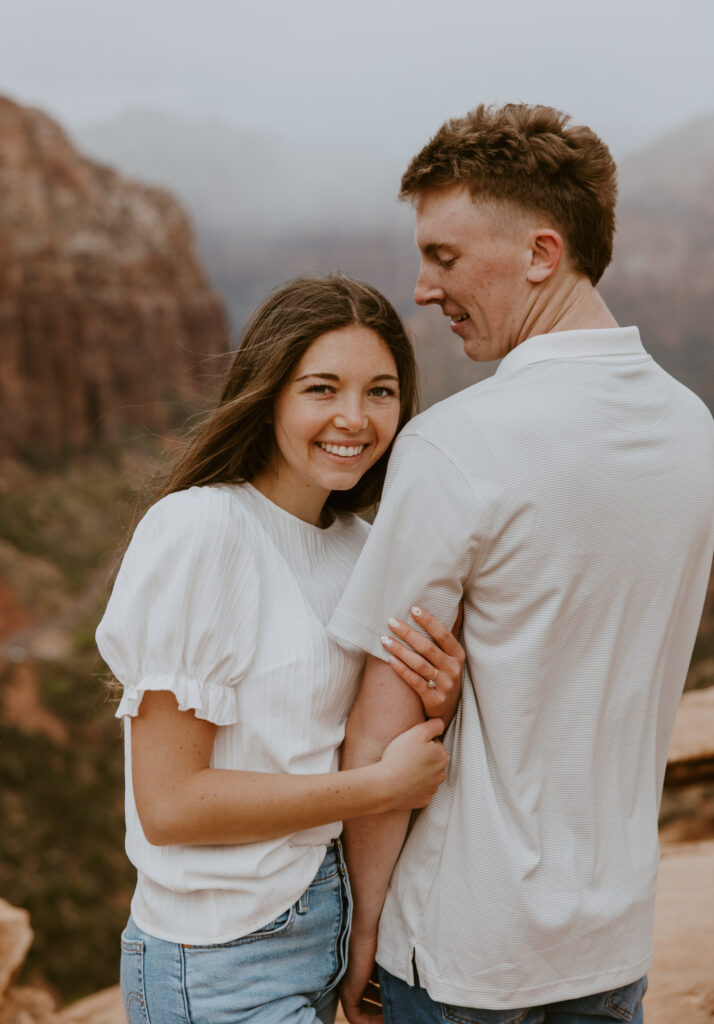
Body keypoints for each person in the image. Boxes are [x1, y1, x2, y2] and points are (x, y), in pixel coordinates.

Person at [328, 104, 714, 1024]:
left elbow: (385, 716)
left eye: (446, 257)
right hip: (611, 944)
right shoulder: (693, 430)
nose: (423, 289)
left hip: (463, 951)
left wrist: (364, 932)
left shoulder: (457, 445)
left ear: (543, 253)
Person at [95, 275, 466, 1024]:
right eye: (322, 389)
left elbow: (349, 740)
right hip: (219, 960)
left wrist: (439, 698)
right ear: (269, 396)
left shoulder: (363, 547)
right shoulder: (203, 530)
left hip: (322, 928)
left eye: (381, 392)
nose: (354, 420)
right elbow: (168, 804)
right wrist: (379, 788)